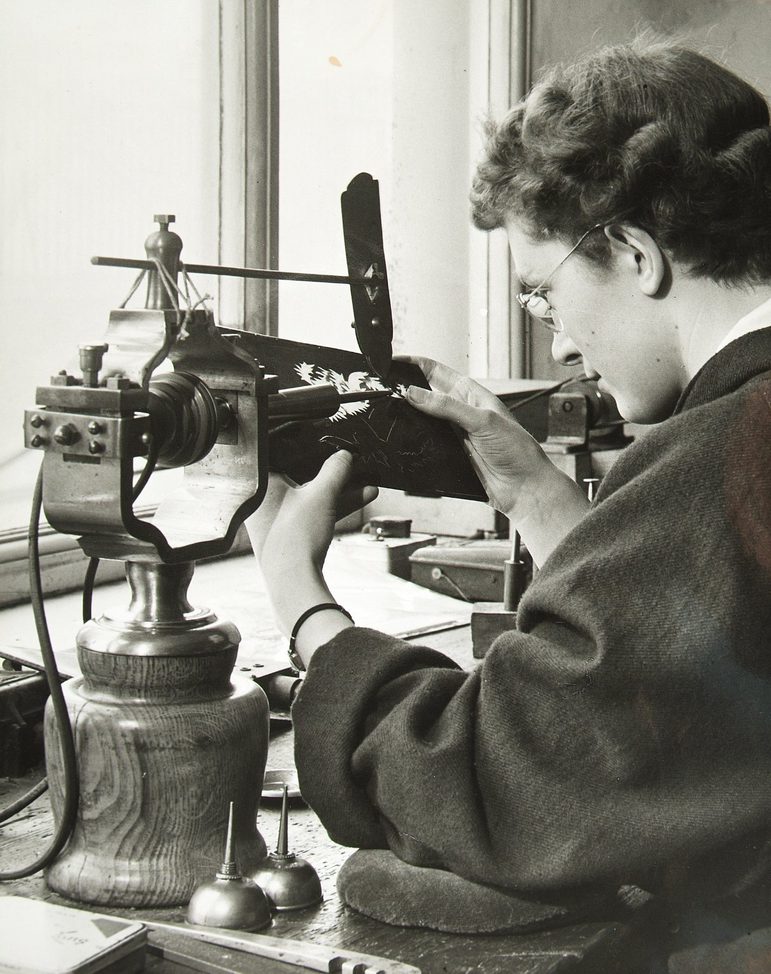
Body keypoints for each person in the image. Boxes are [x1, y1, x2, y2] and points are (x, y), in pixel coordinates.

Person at [246, 40, 771, 914]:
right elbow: (699, 651)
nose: (560, 344)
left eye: (544, 293)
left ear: (636, 255)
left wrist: (302, 602)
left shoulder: (723, 449)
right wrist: (534, 494)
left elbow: (496, 786)